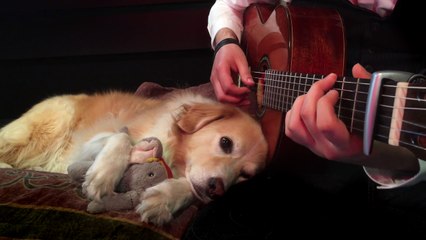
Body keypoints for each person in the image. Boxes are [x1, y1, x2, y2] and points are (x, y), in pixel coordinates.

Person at [183, 0, 426, 238]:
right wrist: (225, 42)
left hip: (399, 179)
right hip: (296, 168)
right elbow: (227, 6)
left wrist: (367, 153)